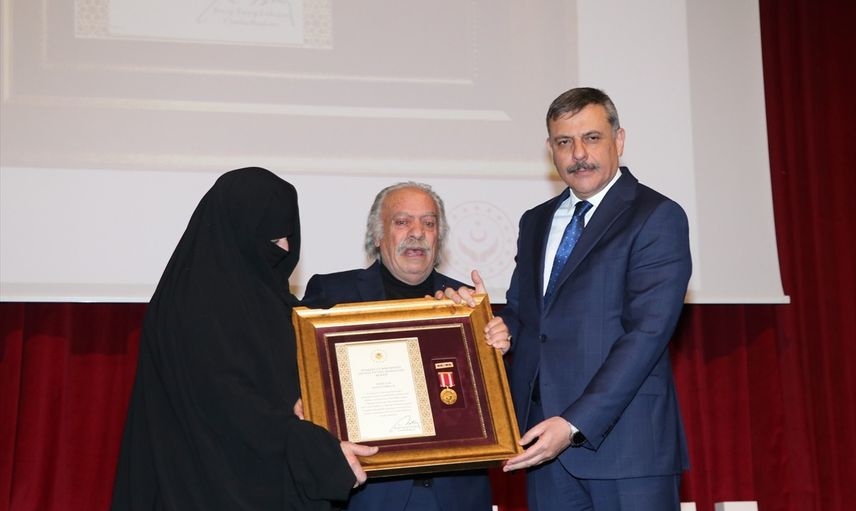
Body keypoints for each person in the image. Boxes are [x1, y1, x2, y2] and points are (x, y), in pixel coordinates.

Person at [111, 167, 376, 511]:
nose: (285, 249)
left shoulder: (267, 305)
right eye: (273, 239)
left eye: (288, 237)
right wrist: (314, 451)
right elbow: (232, 412)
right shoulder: (196, 308)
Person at [499, 88, 692, 510]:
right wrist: (499, 328)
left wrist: (573, 423)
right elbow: (525, 313)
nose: (578, 154)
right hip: (543, 446)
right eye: (564, 142)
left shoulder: (657, 216)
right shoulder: (535, 221)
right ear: (550, 149)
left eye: (591, 138)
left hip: (628, 448)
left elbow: (647, 335)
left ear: (618, 140)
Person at [301, 182, 509, 511]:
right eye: (402, 222)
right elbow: (305, 390)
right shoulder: (333, 294)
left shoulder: (466, 303)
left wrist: (496, 352)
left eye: (429, 223)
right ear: (377, 235)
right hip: (368, 495)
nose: (417, 232)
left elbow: (497, 410)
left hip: (455, 495)